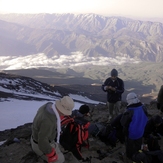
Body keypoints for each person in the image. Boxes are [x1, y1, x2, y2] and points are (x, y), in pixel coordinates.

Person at [30, 96, 75, 163]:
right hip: (39, 144)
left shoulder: (48, 105)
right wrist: (51, 154)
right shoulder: (48, 121)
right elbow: (42, 141)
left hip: (35, 137)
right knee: (60, 160)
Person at [120, 92, 148, 161]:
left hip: (131, 134)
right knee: (138, 146)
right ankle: (138, 155)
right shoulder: (143, 108)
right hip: (141, 132)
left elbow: (123, 122)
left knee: (129, 147)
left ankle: (129, 158)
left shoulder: (129, 111)